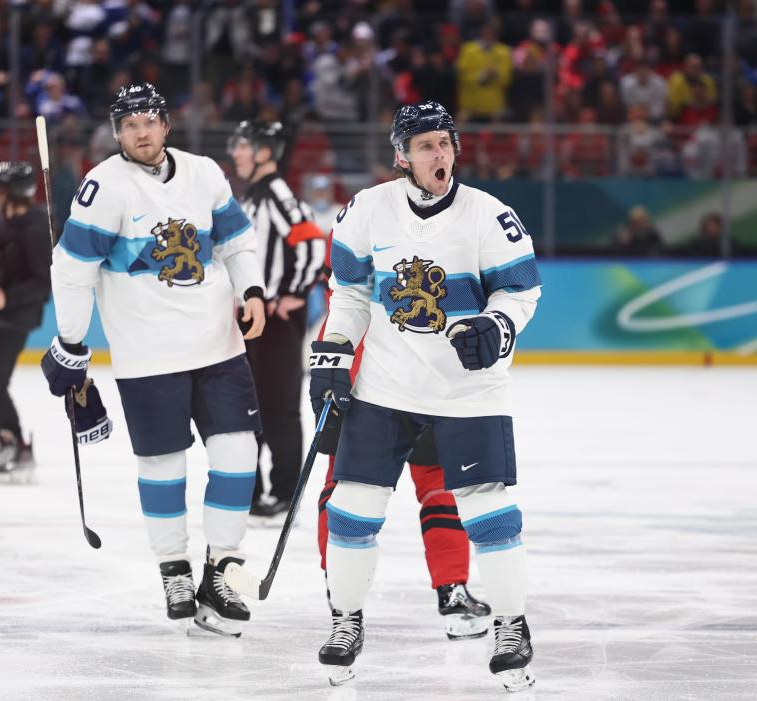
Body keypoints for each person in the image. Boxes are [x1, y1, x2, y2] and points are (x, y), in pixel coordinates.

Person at [309, 100, 541, 691]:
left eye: (446, 143)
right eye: (426, 146)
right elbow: (350, 293)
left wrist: (496, 325)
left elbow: (520, 292)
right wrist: (335, 351)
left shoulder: (489, 215)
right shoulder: (367, 209)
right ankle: (345, 619)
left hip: (469, 392)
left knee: (488, 512)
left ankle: (511, 626)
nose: (441, 154)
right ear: (401, 157)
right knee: (352, 507)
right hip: (386, 387)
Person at [41, 83, 267, 638]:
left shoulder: (204, 173)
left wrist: (252, 291)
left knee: (239, 455)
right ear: (118, 134)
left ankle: (222, 569)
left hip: (219, 347)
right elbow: (72, 270)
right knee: (164, 465)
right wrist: (72, 343)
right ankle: (175, 571)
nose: (140, 133)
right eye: (129, 126)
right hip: (147, 356)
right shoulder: (103, 187)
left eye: (148, 122)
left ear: (165, 124)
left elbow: (236, 241)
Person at [315, 227, 492, 642]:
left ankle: (343, 586)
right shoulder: (417, 227)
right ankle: (448, 588)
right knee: (418, 486)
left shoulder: (362, 227)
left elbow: (341, 301)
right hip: (398, 383)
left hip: (389, 381)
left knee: (353, 485)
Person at [227, 120, 326, 525]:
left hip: (275, 319)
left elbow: (313, 243)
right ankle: (251, 491)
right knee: (245, 405)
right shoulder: (252, 196)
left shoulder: (277, 194)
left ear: (265, 152)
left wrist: (294, 292)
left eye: (244, 145)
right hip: (252, 316)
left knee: (278, 407)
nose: (236, 153)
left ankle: (285, 494)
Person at [0, 162, 51, 483]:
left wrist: (9, 298)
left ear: (14, 192)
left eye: (0, 189)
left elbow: (44, 282)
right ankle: (5, 442)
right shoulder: (7, 224)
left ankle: (18, 446)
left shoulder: (34, 228)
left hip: (17, 317)